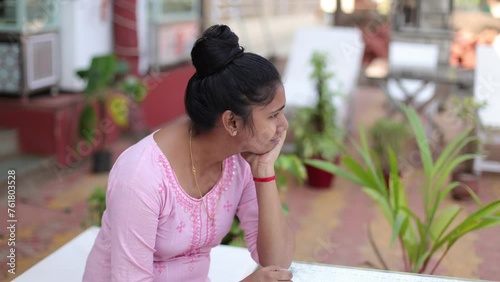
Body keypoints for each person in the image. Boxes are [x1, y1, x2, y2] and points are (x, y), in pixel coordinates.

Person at [83, 24, 295, 281]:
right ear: (232, 122)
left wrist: (264, 172)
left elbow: (277, 263)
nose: (283, 125)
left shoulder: (240, 159)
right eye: (273, 115)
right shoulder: (141, 176)